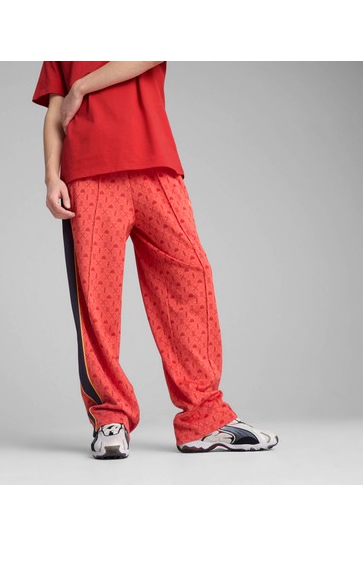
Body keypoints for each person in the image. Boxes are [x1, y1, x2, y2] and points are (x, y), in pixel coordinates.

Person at [31, 61, 279, 459]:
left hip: (155, 165)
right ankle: (109, 418)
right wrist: (51, 177)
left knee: (190, 275)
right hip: (87, 174)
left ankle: (204, 419)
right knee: (96, 302)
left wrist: (82, 87)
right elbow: (55, 112)